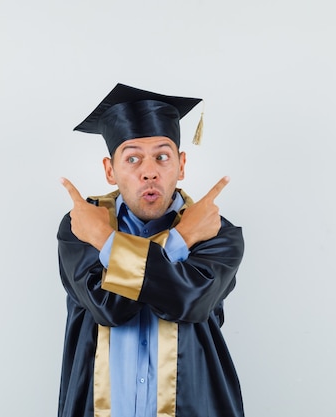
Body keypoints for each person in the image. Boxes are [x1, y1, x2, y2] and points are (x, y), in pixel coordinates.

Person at [57, 83, 245, 417]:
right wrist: (180, 239)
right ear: (110, 170)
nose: (149, 171)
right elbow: (108, 307)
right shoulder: (81, 224)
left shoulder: (216, 231)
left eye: (162, 156)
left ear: (181, 165)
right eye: (132, 158)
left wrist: (105, 241)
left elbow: (187, 301)